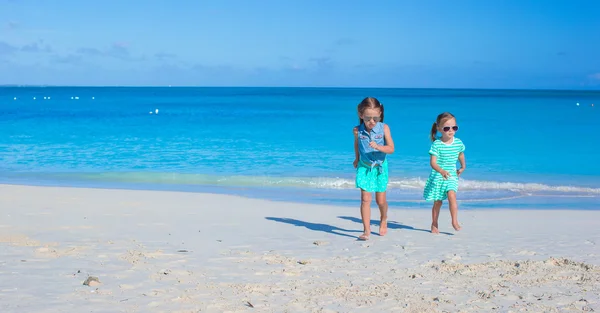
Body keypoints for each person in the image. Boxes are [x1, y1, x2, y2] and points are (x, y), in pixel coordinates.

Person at [353, 97, 395, 241]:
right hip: (364, 167)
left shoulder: (384, 128)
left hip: (380, 168)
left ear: (380, 114)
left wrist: (378, 147)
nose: (372, 122)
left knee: (380, 201)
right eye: (368, 118)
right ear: (361, 115)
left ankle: (383, 218)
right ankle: (366, 230)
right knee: (365, 199)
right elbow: (357, 145)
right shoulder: (357, 130)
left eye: (375, 118)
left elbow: (391, 148)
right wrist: (357, 158)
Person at [423, 112, 466, 234]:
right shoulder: (437, 144)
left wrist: (463, 167)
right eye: (447, 128)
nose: (451, 130)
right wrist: (441, 171)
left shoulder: (458, 143)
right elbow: (433, 163)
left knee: (452, 195)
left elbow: (461, 155)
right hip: (438, 175)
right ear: (439, 129)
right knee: (438, 202)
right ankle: (434, 223)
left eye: (454, 127)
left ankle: (454, 221)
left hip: (451, 175)